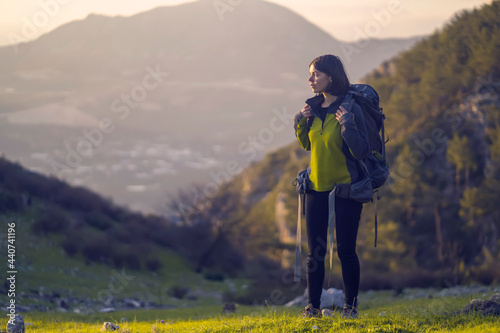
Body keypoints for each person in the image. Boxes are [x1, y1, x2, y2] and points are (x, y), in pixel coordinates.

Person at [294, 54, 369, 319]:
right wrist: (300, 122)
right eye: (311, 74)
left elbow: (360, 152)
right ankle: (312, 308)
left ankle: (350, 308)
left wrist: (347, 124)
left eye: (316, 74)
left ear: (331, 77)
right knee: (315, 253)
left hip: (346, 189)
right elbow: (309, 145)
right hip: (315, 187)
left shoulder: (350, 108)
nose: (310, 79)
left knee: (345, 250)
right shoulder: (313, 108)